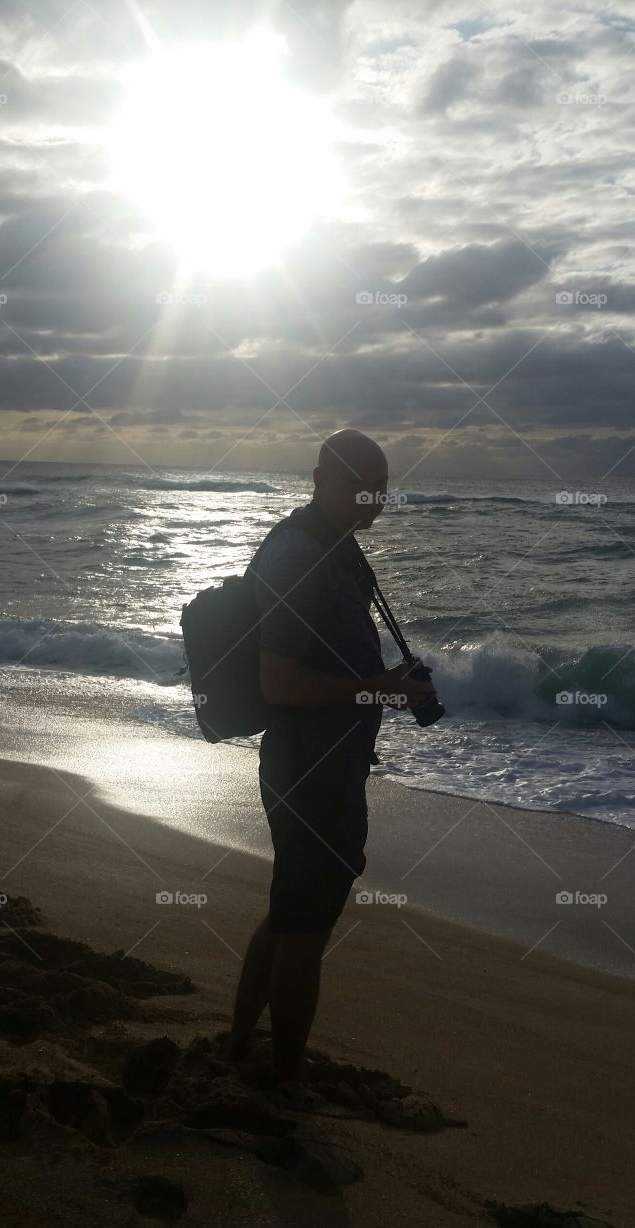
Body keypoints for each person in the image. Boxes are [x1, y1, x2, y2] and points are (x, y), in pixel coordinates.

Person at [227, 429, 437, 1085]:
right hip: (306, 766)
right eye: (358, 484)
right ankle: (284, 1077)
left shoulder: (339, 550)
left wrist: (393, 681)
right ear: (320, 478)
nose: (372, 498)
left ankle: (240, 1050)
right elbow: (278, 682)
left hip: (333, 762)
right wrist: (383, 688)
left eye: (380, 486)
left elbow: (329, 664)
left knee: (293, 912)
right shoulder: (300, 555)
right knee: (306, 928)